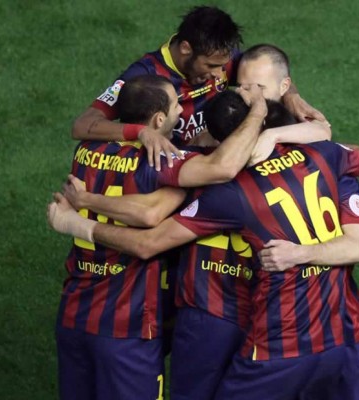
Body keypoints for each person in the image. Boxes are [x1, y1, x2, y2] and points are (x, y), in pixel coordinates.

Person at [49, 92, 359, 399]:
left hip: (261, 335)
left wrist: (79, 219)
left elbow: (149, 236)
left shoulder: (223, 188)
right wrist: (285, 128)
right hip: (335, 330)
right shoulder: (324, 155)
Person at [54, 76, 269, 400]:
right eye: (176, 105)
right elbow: (223, 168)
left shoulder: (86, 149)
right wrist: (258, 113)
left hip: (74, 312)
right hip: (127, 323)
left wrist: (85, 202)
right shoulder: (160, 159)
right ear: (158, 120)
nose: (182, 111)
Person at [72, 6, 328, 169]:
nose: (220, 73)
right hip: (175, 170)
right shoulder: (144, 77)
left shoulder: (221, 57)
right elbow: (83, 125)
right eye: (211, 66)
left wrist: (292, 96)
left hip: (222, 158)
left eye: (223, 65)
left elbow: (269, 70)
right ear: (186, 48)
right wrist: (140, 132)